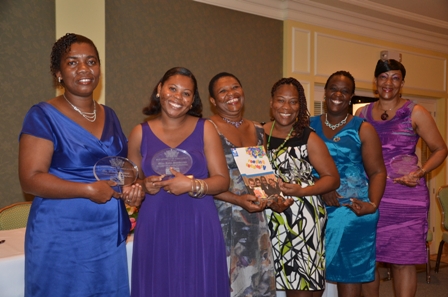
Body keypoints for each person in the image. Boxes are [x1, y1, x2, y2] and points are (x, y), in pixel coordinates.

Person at [18, 33, 142, 297]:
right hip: (61, 231)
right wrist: (86, 190)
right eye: (73, 62)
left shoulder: (110, 114)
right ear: (58, 73)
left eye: (91, 61)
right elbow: (30, 178)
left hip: (107, 231)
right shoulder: (42, 115)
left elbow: (118, 167)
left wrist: (134, 184)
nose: (84, 69)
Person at [128, 67, 230, 297]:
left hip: (198, 224)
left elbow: (223, 181)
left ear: (192, 100)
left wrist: (193, 185)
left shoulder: (206, 129)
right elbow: (131, 184)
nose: (178, 97)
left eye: (186, 93)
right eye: (172, 88)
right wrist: (145, 186)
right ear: (159, 90)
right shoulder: (139, 133)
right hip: (155, 225)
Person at [356, 59, 448, 297]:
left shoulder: (415, 112)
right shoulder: (361, 113)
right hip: (371, 195)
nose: (389, 82)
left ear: (402, 83)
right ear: (375, 82)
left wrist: (420, 172)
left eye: (395, 78)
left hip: (406, 198)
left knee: (402, 261)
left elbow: (440, 149)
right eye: (384, 77)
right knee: (369, 259)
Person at [310, 71, 387, 297]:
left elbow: (378, 171)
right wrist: (320, 185)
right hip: (316, 208)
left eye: (345, 91)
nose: (338, 94)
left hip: (353, 210)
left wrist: (372, 204)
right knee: (312, 274)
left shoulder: (363, 128)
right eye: (333, 88)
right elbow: (297, 167)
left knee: (349, 276)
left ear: (351, 96)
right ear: (325, 92)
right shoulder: (307, 125)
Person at [264, 77, 340, 297]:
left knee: (301, 287)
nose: (286, 107)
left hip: (303, 219)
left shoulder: (308, 137)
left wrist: (301, 191)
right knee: (272, 284)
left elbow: (332, 178)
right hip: (270, 217)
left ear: (300, 106)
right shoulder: (258, 132)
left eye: (293, 102)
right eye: (281, 100)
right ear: (271, 103)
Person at [208, 72, 276, 297]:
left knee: (256, 282)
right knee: (228, 283)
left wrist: (274, 198)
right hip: (221, 218)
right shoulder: (206, 129)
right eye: (223, 91)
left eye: (235, 87)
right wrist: (237, 199)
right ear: (212, 100)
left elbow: (260, 178)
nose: (231, 94)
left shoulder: (258, 129)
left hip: (255, 219)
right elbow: (202, 181)